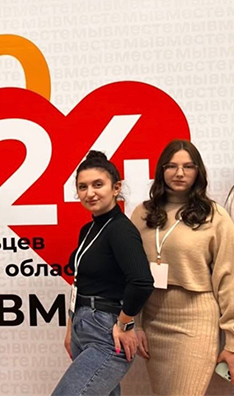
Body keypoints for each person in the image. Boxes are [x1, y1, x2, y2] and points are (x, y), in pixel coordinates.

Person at [131, 139, 234, 395]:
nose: (179, 173)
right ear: (161, 170)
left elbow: (228, 279)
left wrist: (232, 341)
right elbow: (130, 274)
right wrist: (135, 323)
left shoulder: (215, 215)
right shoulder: (142, 214)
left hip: (195, 319)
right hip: (153, 319)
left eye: (188, 166)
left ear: (198, 171)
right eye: (172, 166)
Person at [52, 151, 154, 396]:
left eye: (98, 184)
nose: (90, 193)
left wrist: (125, 324)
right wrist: (71, 327)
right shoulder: (88, 229)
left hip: (106, 330)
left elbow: (141, 282)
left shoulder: (120, 229)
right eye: (83, 187)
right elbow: (80, 281)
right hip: (83, 324)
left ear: (116, 187)